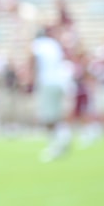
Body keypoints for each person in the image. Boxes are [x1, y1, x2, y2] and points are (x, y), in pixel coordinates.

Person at [30, 26, 73, 162]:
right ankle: (63, 137)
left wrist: (31, 78)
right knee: (56, 116)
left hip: (47, 82)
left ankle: (57, 145)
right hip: (59, 82)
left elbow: (33, 60)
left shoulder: (38, 45)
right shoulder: (54, 44)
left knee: (47, 117)